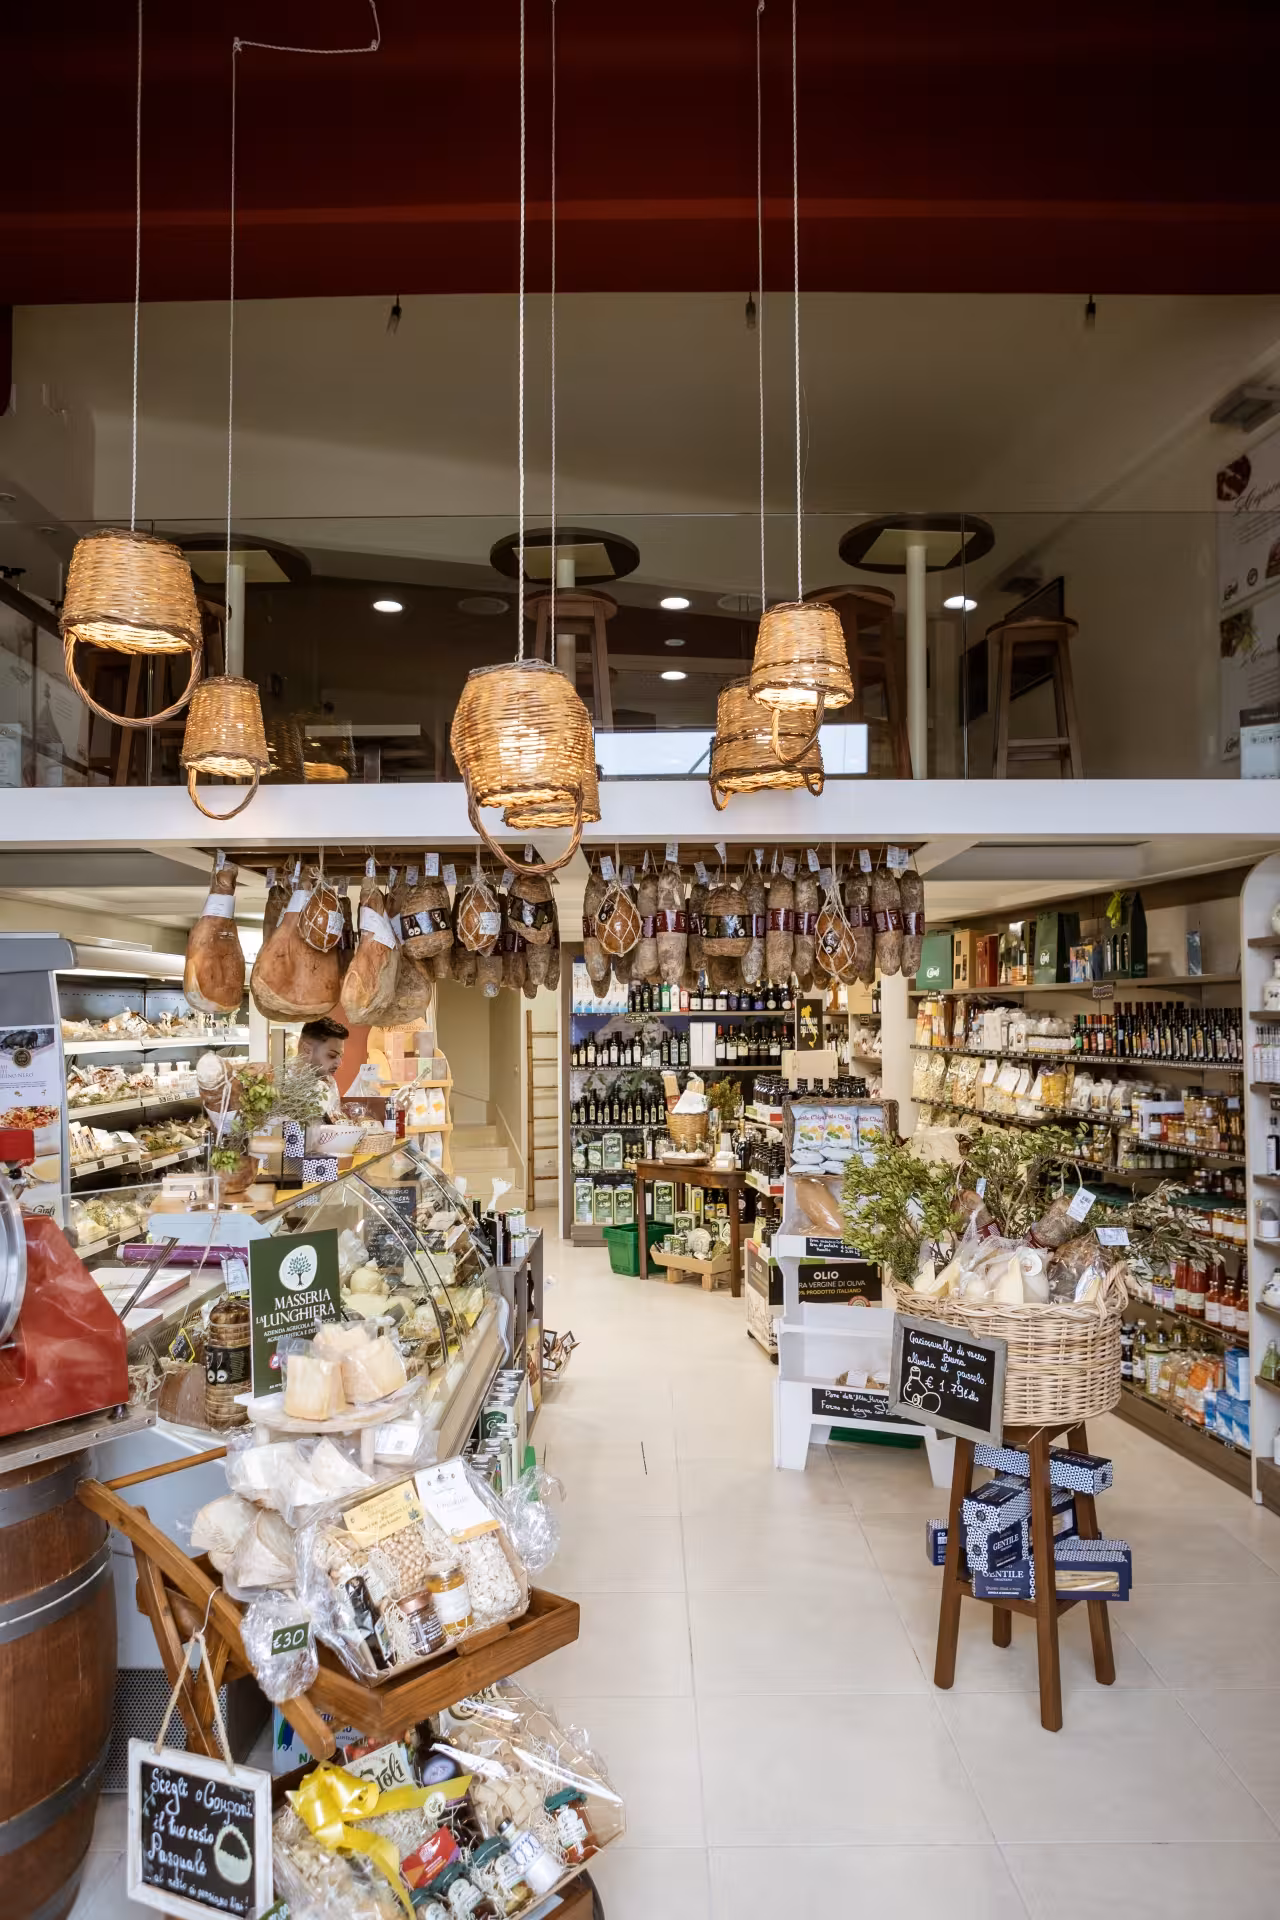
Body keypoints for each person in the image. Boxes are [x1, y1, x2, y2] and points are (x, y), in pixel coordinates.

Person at [295, 1016, 349, 1118]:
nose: (339, 1063)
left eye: (340, 1056)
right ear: (307, 1050)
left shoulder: (330, 1082)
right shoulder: (279, 1082)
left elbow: (333, 1124)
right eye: (332, 1055)